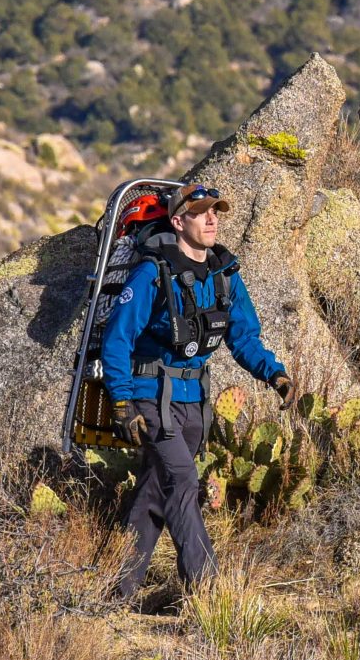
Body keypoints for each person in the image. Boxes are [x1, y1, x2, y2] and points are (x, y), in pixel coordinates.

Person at [99, 182, 292, 600]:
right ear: (177, 221)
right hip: (151, 398)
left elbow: (244, 338)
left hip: (194, 404)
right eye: (200, 212)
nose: (211, 219)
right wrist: (121, 401)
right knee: (183, 481)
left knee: (155, 491)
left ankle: (118, 590)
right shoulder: (152, 273)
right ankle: (207, 593)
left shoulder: (224, 274)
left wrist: (274, 375)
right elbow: (117, 339)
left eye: (215, 211)